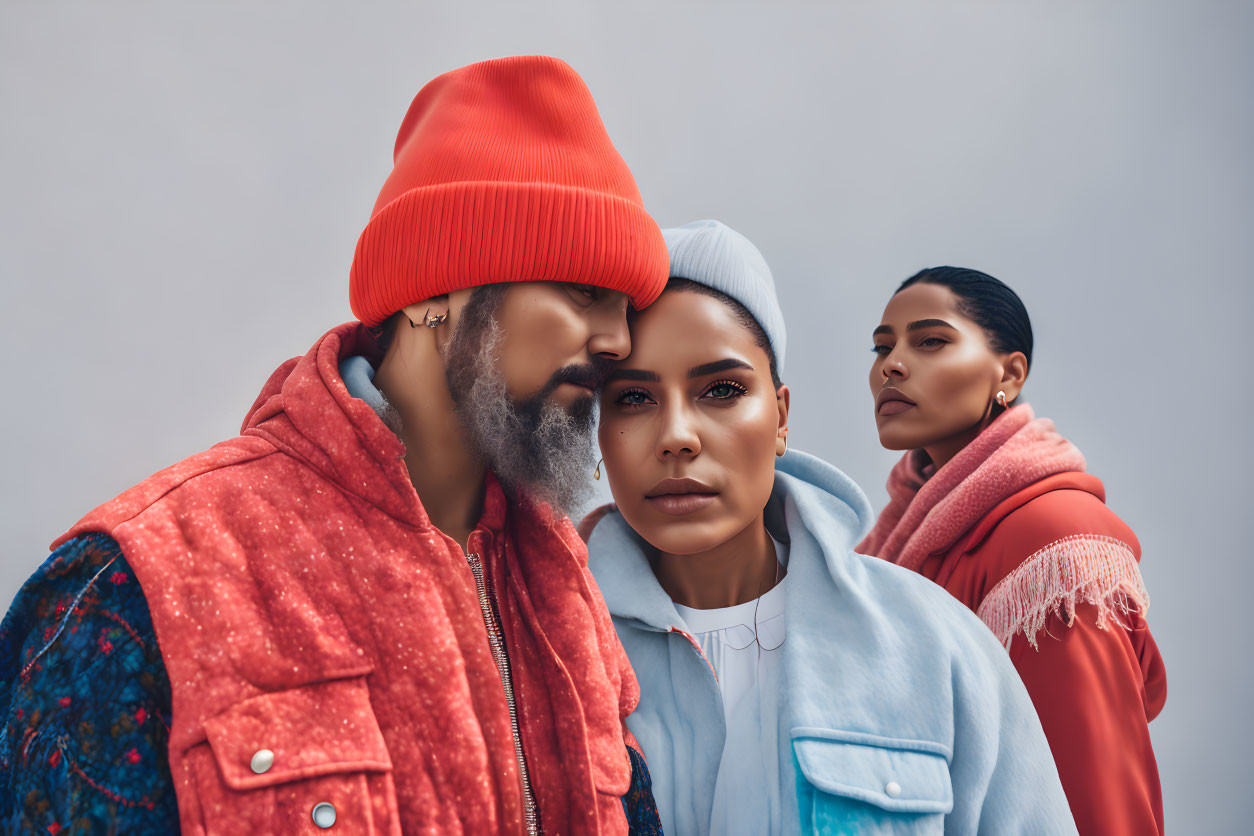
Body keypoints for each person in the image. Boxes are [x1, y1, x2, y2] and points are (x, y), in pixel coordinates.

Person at [0, 56, 670, 835]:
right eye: (584, 292)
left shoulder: (563, 585)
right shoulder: (140, 583)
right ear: (436, 293)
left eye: (626, 308)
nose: (618, 340)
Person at [580, 220, 1077, 835]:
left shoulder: (934, 646)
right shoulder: (539, 652)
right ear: (597, 429)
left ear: (781, 416)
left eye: (722, 389)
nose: (678, 436)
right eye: (633, 399)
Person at [859, 266, 1166, 835]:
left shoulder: (1052, 545)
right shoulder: (900, 536)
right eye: (882, 347)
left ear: (1010, 373)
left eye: (930, 341)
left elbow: (1098, 799)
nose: (891, 366)